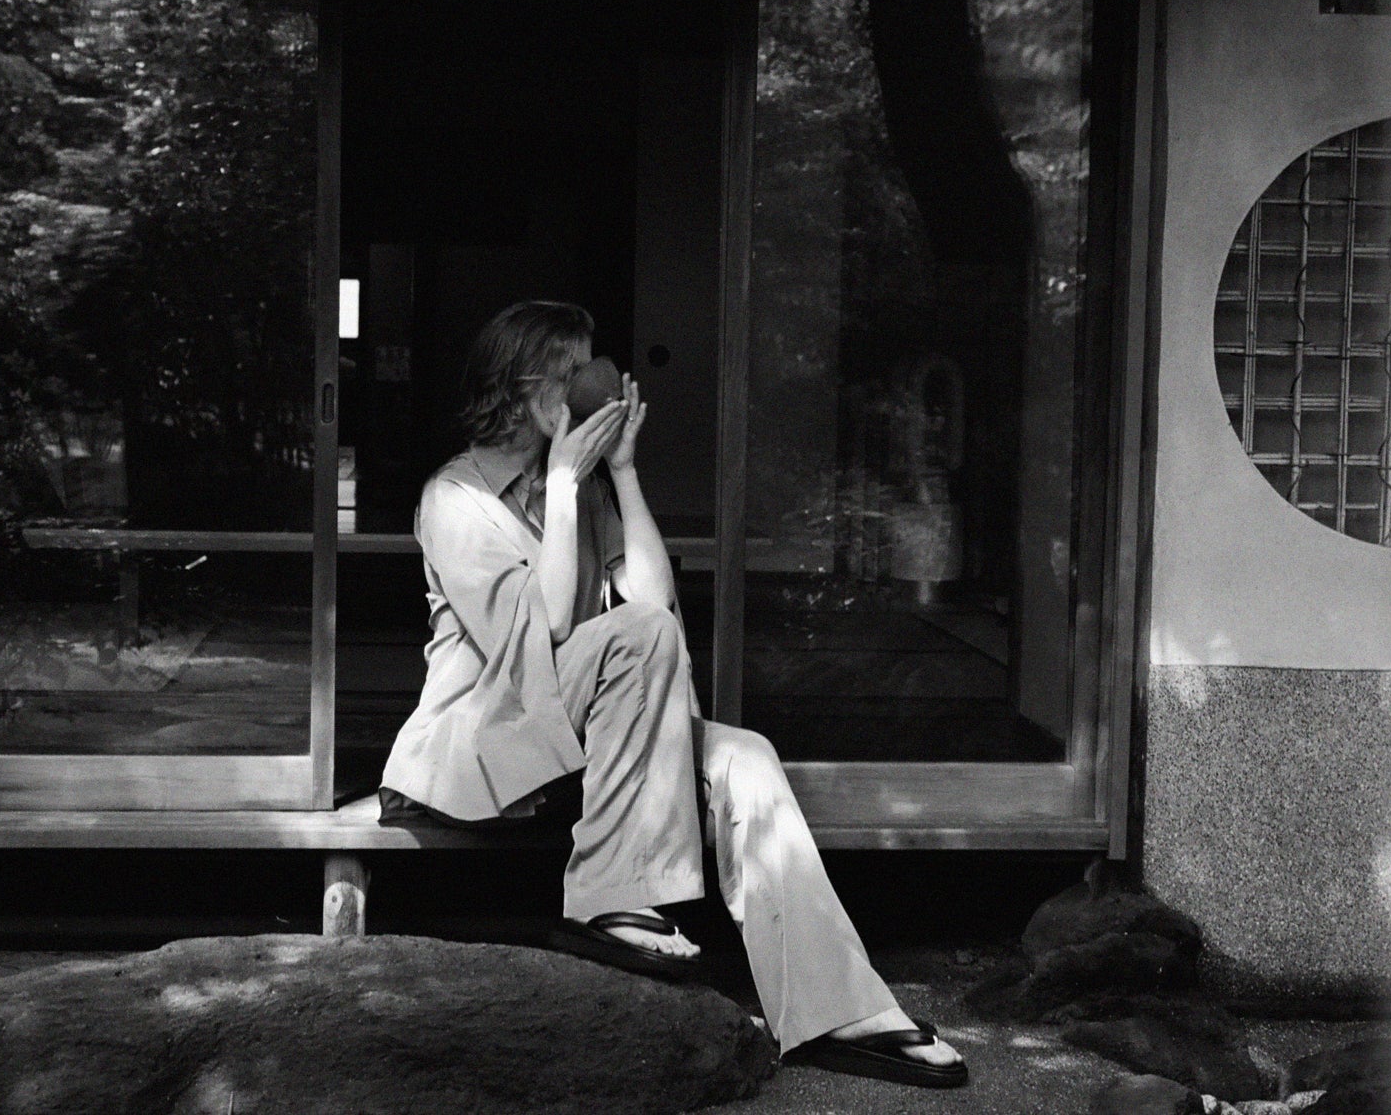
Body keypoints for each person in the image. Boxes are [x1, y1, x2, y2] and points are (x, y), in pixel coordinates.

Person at [379, 301, 967, 1089]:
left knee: (746, 757)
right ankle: (607, 897)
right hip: (491, 739)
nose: (594, 386)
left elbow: (652, 605)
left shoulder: (584, 489)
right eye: (572, 370)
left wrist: (619, 474)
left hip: (596, 732)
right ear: (522, 389)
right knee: (641, 638)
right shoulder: (454, 498)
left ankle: (838, 1009)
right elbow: (547, 633)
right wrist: (559, 482)